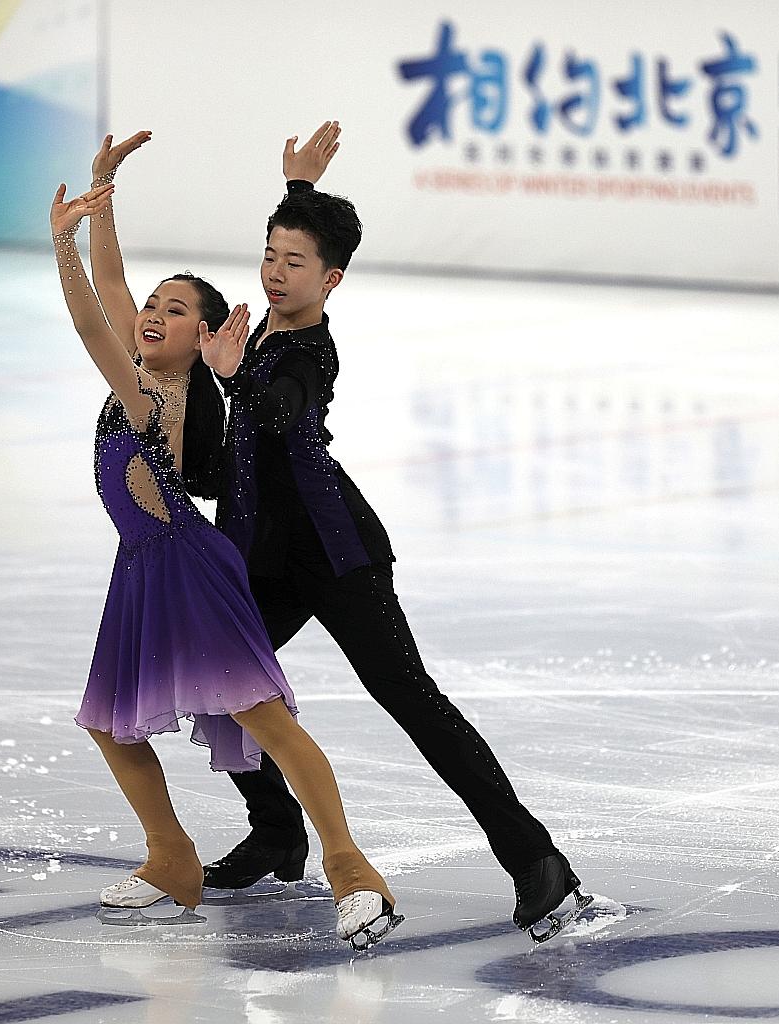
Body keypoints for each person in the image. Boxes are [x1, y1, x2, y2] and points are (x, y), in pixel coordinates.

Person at [191, 122, 591, 942]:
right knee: (214, 680)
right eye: (268, 256)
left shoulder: (310, 350)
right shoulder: (270, 310)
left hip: (338, 556)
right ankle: (276, 830)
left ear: (330, 281)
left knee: (412, 701)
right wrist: (299, 191)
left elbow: (279, 410)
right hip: (267, 555)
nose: (273, 273)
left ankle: (537, 861)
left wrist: (233, 384)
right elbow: (298, 244)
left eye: (293, 264)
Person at [49, 140, 402, 949]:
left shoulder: (150, 395)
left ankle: (352, 868)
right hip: (139, 569)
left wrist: (61, 239)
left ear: (203, 335)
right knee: (112, 723)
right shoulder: (146, 371)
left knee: (264, 719)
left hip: (187, 569)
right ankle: (171, 857)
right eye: (154, 304)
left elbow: (86, 313)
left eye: (175, 311)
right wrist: (102, 199)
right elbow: (113, 290)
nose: (151, 313)